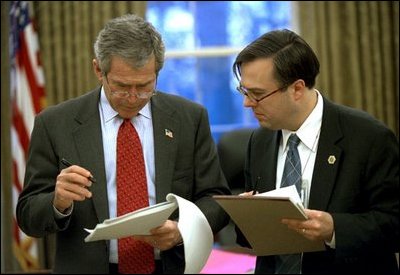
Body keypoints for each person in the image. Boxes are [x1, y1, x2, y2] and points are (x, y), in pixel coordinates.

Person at [16, 14, 231, 274]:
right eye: (120, 86)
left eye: (144, 86)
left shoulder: (189, 118)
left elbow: (216, 200)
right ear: (99, 70)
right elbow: (28, 216)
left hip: (169, 266)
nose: (132, 98)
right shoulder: (55, 123)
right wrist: (57, 201)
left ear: (157, 73)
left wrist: (180, 230)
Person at [232, 29, 399, 274]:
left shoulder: (368, 137)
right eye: (244, 92)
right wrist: (248, 217)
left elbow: (394, 223)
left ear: (297, 89)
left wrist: (335, 229)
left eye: (257, 94)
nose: (247, 103)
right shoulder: (260, 140)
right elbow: (255, 242)